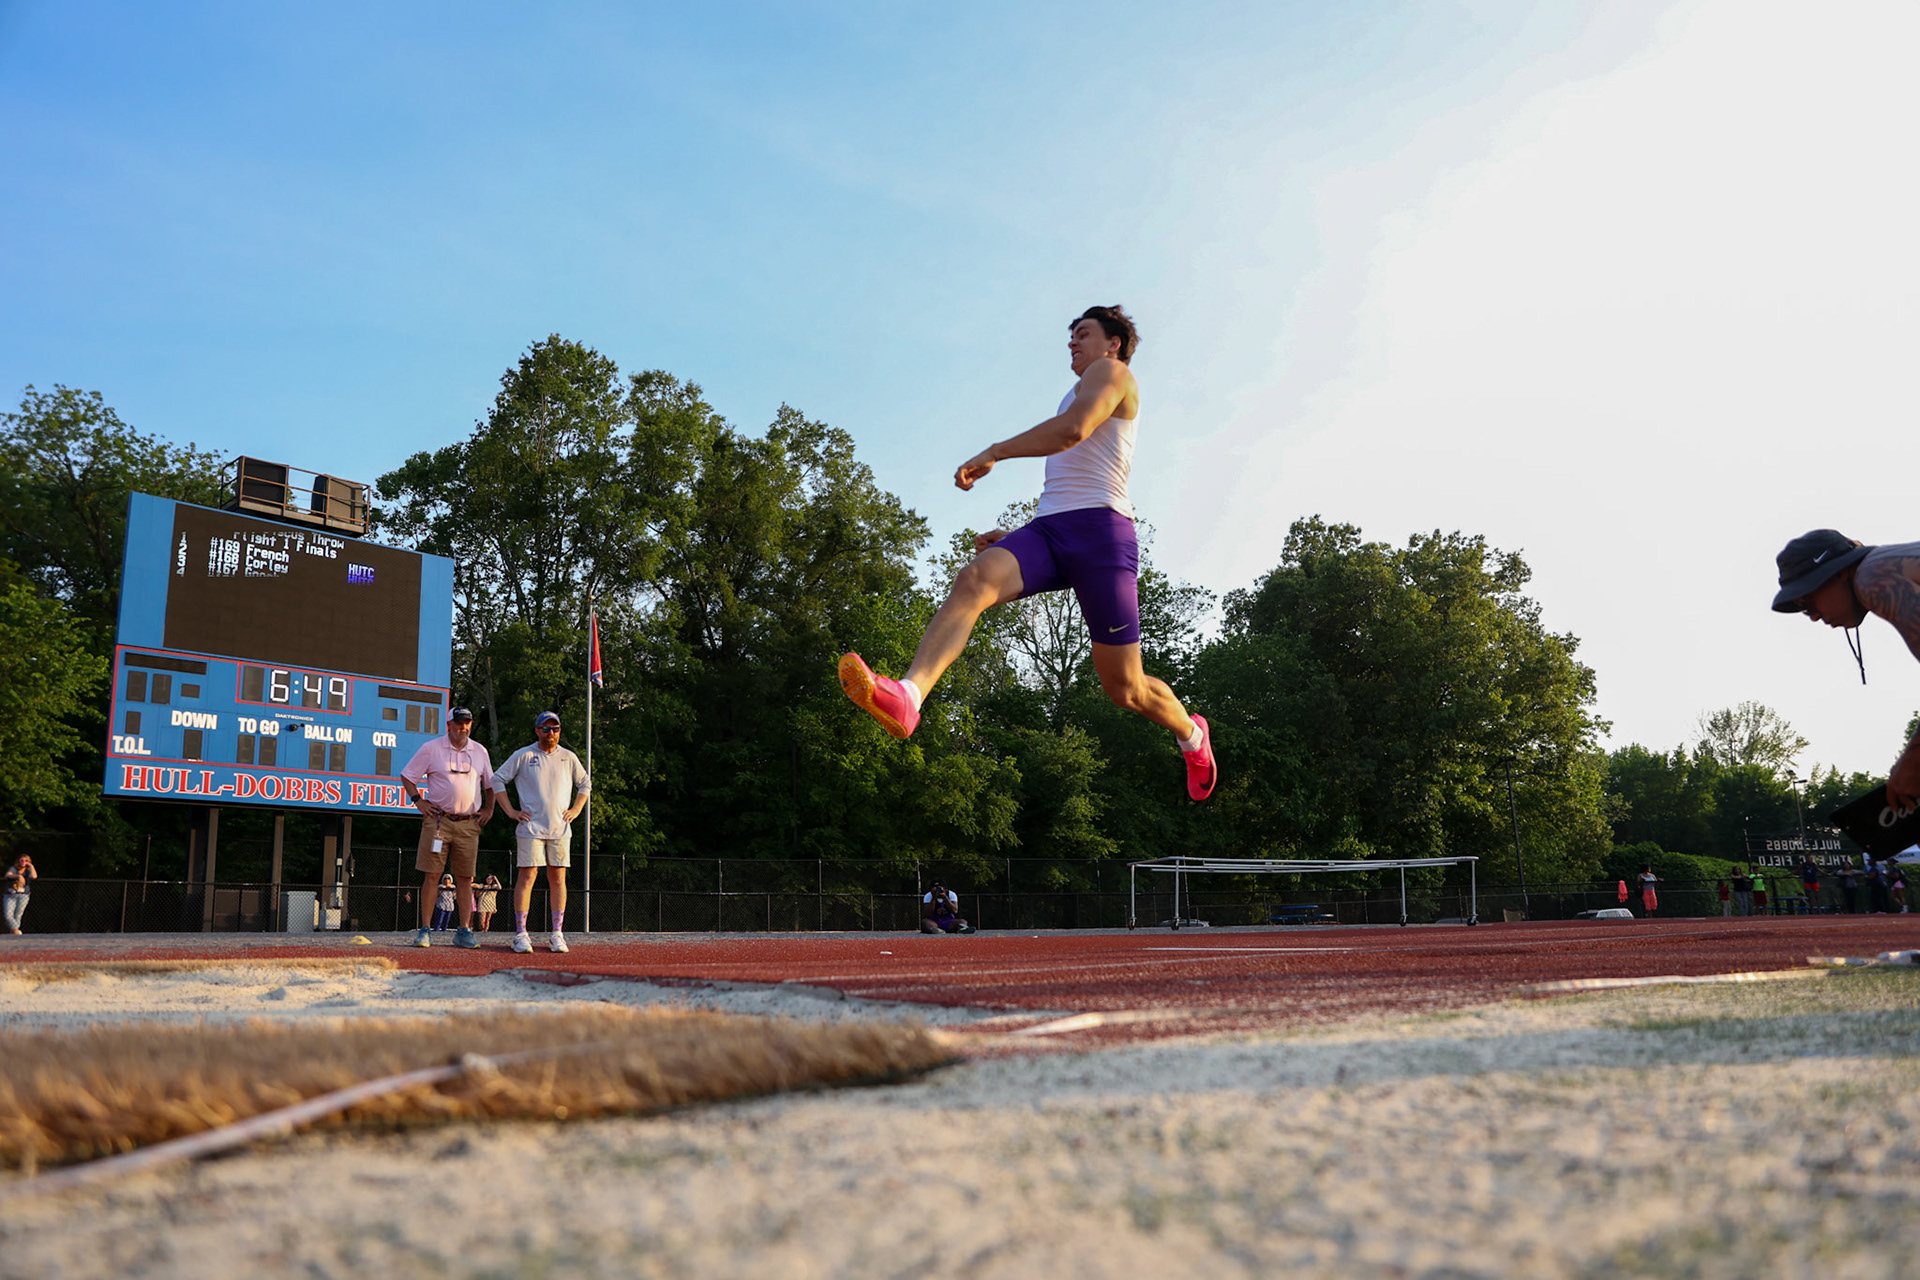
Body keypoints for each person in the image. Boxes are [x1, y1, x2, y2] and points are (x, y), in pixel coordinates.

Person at [837, 305, 1218, 802]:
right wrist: (1018, 536)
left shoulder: (1113, 373)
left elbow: (1072, 432)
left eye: (1083, 333)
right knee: (974, 580)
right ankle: (909, 697)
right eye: (1071, 336)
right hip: (1049, 531)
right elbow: (1070, 475)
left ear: (1114, 343)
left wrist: (994, 450)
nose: (1072, 343)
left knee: (1125, 689)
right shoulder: (1079, 387)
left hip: (1103, 536)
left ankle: (1192, 736)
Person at [1773, 529, 1920, 809]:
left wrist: (1911, 766)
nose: (1813, 616)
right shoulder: (1886, 565)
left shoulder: (1874, 578)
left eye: (1807, 601)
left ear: (1839, 572)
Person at [491, 711, 591, 955]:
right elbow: (497, 780)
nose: (551, 733)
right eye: (546, 729)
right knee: (528, 876)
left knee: (558, 878)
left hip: (560, 829)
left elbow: (585, 783)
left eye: (555, 729)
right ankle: (521, 933)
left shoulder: (568, 757)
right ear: (537, 730)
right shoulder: (523, 755)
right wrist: (511, 811)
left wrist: (576, 809)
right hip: (530, 828)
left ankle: (557, 933)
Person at [399, 707, 495, 949]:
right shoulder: (432, 748)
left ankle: (464, 930)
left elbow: (491, 784)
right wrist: (418, 801)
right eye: (459, 722)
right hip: (438, 821)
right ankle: (425, 930)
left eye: (467, 723)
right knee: (432, 875)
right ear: (449, 724)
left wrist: (489, 809)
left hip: (468, 822)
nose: (463, 727)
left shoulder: (480, 751)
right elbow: (408, 776)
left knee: (466, 878)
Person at [3, 854, 35, 935]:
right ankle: (16, 931)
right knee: (8, 915)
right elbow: (8, 875)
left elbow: (34, 876)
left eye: (26, 861)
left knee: (18, 915)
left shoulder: (28, 871)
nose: (24, 862)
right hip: (10, 894)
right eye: (22, 860)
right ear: (18, 861)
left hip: (23, 895)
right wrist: (18, 876)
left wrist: (31, 866)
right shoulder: (13, 869)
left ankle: (14, 932)